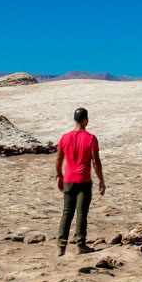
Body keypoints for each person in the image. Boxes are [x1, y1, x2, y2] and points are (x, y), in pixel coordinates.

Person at [54, 107, 105, 256]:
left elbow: (58, 159)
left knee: (67, 212)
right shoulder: (91, 138)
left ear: (74, 120)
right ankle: (80, 245)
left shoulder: (65, 137)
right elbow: (96, 161)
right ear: (85, 120)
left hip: (69, 179)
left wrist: (58, 175)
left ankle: (60, 246)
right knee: (81, 212)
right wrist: (101, 180)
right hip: (83, 180)